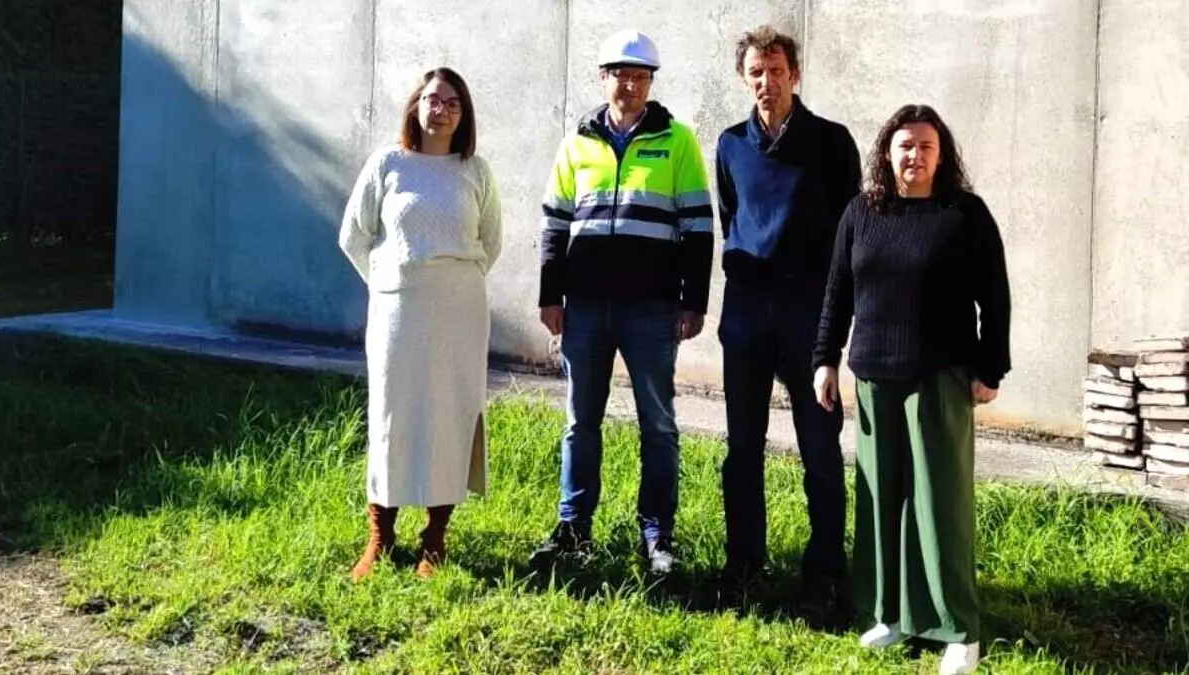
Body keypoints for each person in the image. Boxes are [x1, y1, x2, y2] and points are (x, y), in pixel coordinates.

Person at [812, 104, 1011, 675]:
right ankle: (892, 614)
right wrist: (825, 358)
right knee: (881, 500)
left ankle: (958, 628)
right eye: (905, 145)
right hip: (875, 377)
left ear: (941, 155)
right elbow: (837, 293)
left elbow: (995, 296)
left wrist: (990, 368)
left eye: (926, 146)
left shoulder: (964, 215)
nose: (915, 156)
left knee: (939, 505)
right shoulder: (861, 212)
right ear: (887, 152)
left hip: (938, 377)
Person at [530, 29, 715, 575]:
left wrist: (693, 302)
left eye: (640, 76)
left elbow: (698, 227)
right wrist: (550, 296)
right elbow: (553, 225)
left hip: (651, 310)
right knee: (580, 421)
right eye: (620, 74)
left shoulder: (676, 141)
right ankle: (573, 528)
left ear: (650, 83)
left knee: (658, 424)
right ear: (602, 78)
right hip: (585, 307)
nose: (629, 85)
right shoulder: (577, 143)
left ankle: (657, 536)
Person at [713, 25, 861, 609]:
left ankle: (824, 572)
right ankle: (743, 566)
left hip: (809, 312)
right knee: (742, 448)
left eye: (776, 71)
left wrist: (833, 327)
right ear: (744, 79)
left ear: (794, 75)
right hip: (748, 311)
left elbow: (849, 236)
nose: (767, 82)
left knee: (820, 448)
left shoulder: (831, 142)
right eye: (756, 72)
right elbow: (733, 219)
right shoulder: (730, 145)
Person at [340, 67, 502, 581]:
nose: (441, 110)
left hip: (460, 314)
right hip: (398, 312)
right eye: (433, 99)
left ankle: (434, 540)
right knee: (393, 413)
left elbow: (491, 241)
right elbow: (353, 235)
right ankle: (380, 536)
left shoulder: (475, 171)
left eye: (453, 103)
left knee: (450, 414)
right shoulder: (387, 163)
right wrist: (388, 282)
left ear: (464, 113)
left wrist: (451, 282)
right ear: (416, 105)